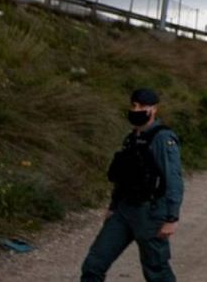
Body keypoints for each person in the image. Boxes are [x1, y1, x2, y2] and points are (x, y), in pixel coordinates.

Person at [80, 88, 185, 282]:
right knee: (94, 264)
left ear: (154, 109)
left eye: (142, 106)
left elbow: (173, 179)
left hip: (150, 213)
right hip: (124, 210)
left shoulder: (162, 138)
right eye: (134, 105)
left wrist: (172, 217)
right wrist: (113, 207)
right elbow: (123, 177)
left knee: (156, 270)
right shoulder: (132, 138)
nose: (136, 110)